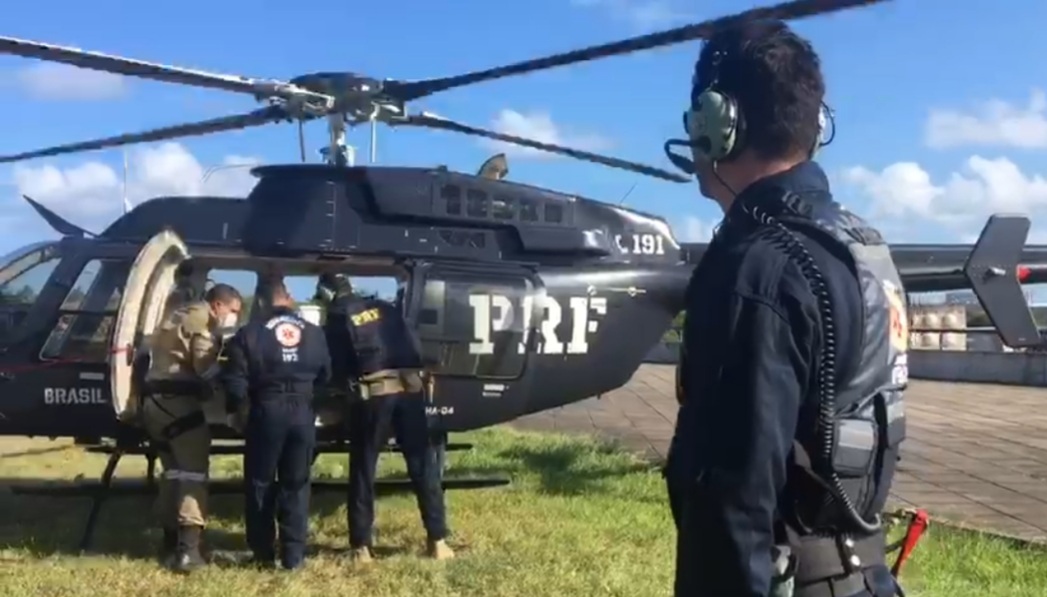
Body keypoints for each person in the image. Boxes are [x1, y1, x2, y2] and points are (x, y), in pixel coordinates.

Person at [662, 21, 906, 597]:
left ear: (717, 124)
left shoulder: (756, 267)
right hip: (866, 578)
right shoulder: (859, 245)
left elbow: (732, 507)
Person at [314, 274, 453, 563]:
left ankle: (361, 547)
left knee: (364, 468)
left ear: (328, 296)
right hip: (410, 391)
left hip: (374, 395)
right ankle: (438, 541)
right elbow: (414, 347)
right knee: (423, 466)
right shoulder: (386, 308)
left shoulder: (339, 316)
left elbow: (331, 368)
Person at [220, 278, 331, 570]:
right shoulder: (315, 333)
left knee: (261, 482)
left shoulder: (249, 333)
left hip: (266, 411)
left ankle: (263, 554)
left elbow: (235, 382)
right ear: (288, 297)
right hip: (303, 412)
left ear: (260, 302)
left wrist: (237, 412)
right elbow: (326, 376)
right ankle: (293, 557)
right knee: (297, 484)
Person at [141, 283, 243, 573]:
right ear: (218, 305)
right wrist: (232, 378)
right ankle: (189, 552)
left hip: (155, 403)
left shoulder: (178, 314)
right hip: (179, 404)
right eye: (233, 310)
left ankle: (170, 542)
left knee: (173, 472)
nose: (233, 316)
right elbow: (204, 366)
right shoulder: (201, 319)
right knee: (193, 474)